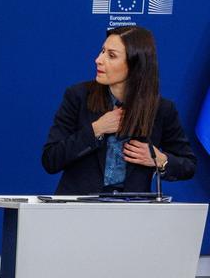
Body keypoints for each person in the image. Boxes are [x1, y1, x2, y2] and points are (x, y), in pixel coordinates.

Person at [42, 25, 195, 193]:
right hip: (79, 205)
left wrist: (160, 160)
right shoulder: (78, 96)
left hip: (132, 207)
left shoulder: (161, 109)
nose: (98, 60)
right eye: (102, 51)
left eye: (111, 55)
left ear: (135, 64)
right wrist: (96, 129)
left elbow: (188, 165)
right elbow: (51, 159)